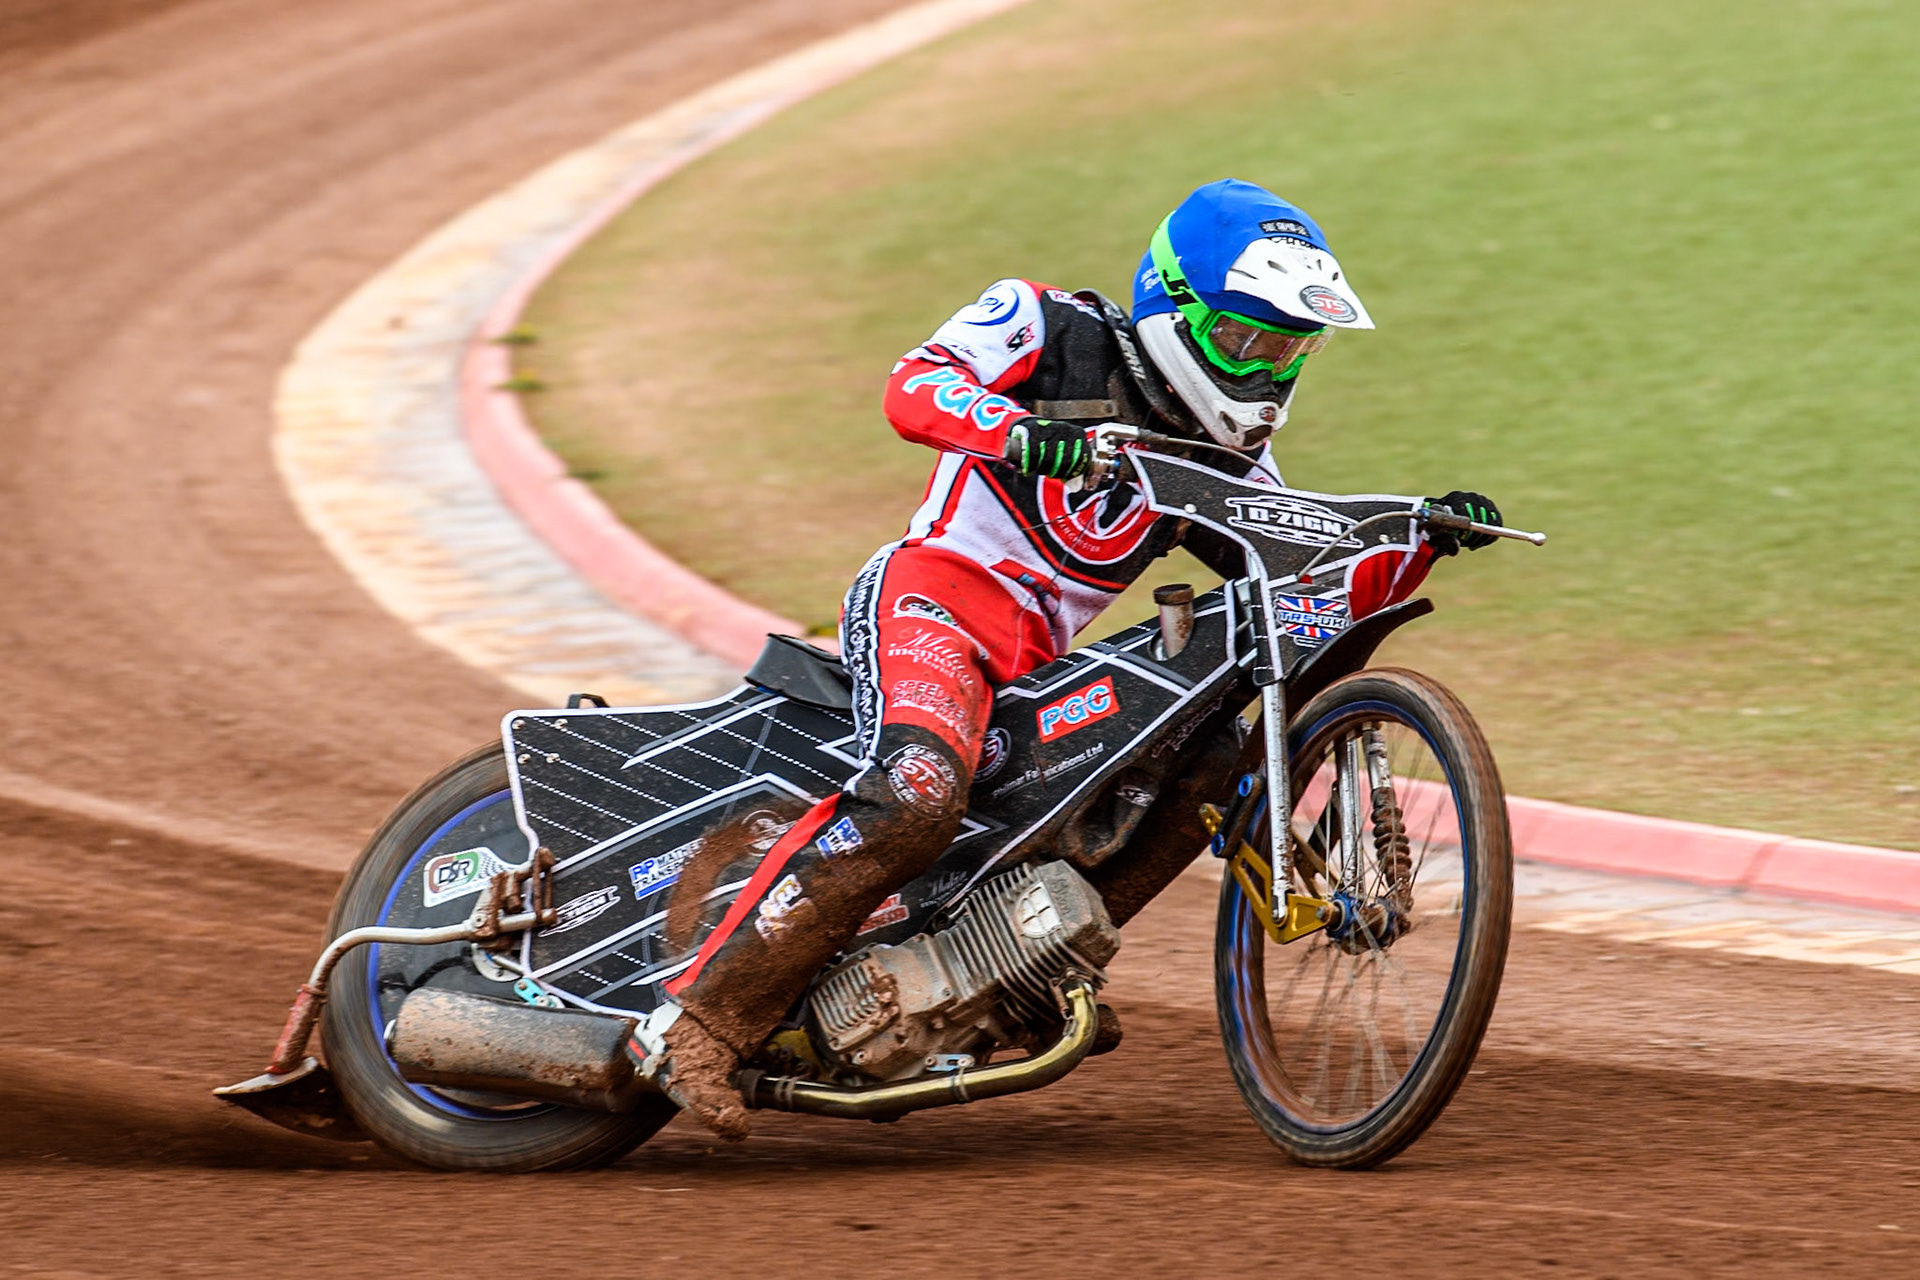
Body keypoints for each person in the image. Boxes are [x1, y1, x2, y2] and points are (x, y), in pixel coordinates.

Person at [635, 178, 1503, 1139]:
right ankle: (699, 1022)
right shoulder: (1043, 324)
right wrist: (1021, 434)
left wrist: (1416, 537)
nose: (1264, 368)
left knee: (1209, 764)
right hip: (933, 603)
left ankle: (1035, 964)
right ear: (1172, 306)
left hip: (1039, 665)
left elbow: (1297, 580)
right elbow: (910, 385)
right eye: (1243, 339)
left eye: (1288, 348)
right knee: (920, 790)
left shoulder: (1232, 464)